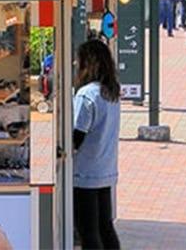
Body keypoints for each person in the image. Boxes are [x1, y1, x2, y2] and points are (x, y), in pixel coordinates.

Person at [72, 39, 121, 250]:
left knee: (87, 231)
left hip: (84, 172)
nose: (75, 64)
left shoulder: (86, 95)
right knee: (105, 226)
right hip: (105, 169)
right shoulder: (111, 92)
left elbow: (77, 136)